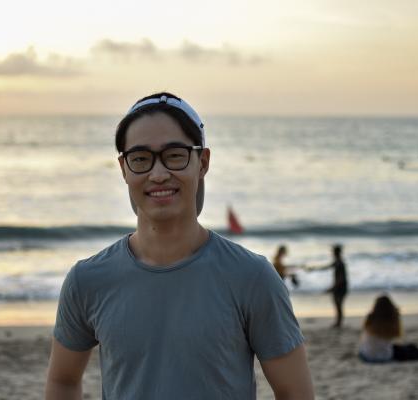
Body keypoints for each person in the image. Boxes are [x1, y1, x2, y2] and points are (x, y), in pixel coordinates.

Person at [45, 92, 314, 399]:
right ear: (123, 169)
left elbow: (294, 392)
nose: (158, 174)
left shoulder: (252, 277)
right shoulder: (87, 280)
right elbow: (63, 381)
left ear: (203, 162)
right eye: (141, 159)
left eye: (174, 155)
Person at [358, 295, 418, 363]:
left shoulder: (370, 317)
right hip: (385, 356)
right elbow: (397, 336)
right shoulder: (391, 318)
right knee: (412, 349)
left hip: (367, 356)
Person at [305, 244, 348, 328]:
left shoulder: (339, 263)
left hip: (340, 287)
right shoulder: (339, 262)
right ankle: (338, 322)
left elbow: (341, 278)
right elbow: (327, 267)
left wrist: (333, 287)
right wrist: (314, 269)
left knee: (338, 304)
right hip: (341, 286)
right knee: (338, 304)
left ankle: (339, 323)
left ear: (335, 252)